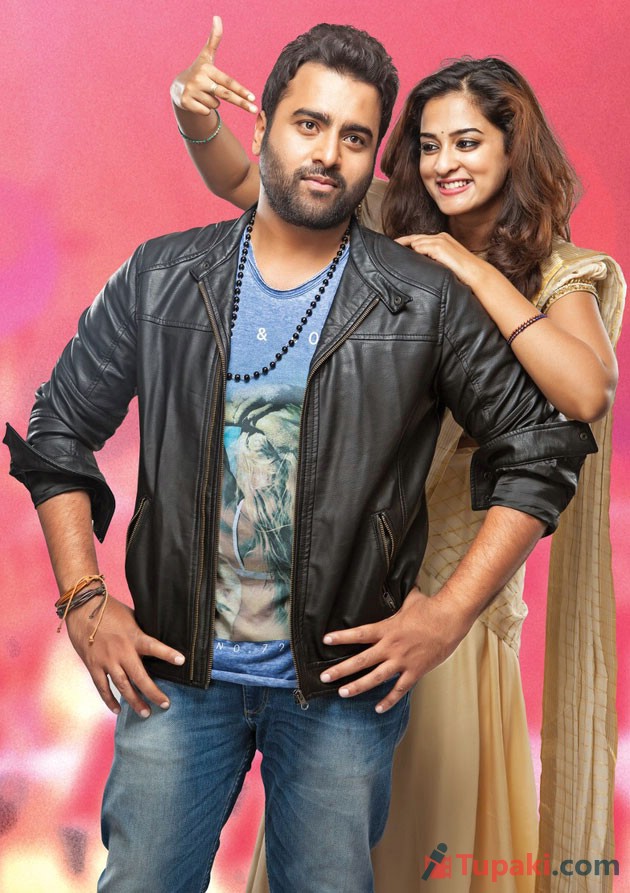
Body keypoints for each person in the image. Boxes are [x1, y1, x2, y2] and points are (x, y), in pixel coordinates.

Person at [5, 23, 598, 893]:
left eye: (356, 137)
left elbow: (544, 445)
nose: (328, 153)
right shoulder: (162, 276)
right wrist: (84, 599)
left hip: (340, 691)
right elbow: (58, 426)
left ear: (373, 158)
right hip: (176, 676)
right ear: (263, 128)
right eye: (309, 124)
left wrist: (447, 614)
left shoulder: (421, 299)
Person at [170, 22, 625, 893]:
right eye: (427, 145)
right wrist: (195, 117)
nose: (444, 163)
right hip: (348, 589)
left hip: (453, 613)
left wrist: (471, 269)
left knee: (428, 850)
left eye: (468, 142)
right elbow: (245, 185)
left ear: (514, 147)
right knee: (325, 856)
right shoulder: (386, 224)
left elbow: (586, 389)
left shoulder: (561, 272)